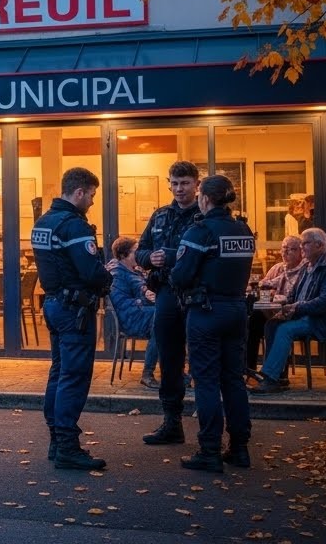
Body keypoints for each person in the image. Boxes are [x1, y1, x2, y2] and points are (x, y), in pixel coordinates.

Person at [170, 175, 255, 472]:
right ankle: (240, 448)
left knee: (206, 381)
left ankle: (209, 450)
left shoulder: (201, 231)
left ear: (205, 198)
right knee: (233, 380)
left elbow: (180, 276)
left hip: (206, 312)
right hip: (236, 311)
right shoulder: (242, 229)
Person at [32, 168, 112, 470]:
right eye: (91, 195)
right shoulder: (74, 226)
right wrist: (109, 276)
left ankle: (56, 439)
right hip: (75, 310)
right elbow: (91, 271)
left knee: (59, 371)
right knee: (74, 376)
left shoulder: (44, 222)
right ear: (79, 192)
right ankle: (67, 445)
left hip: (54, 305)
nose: (92, 201)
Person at [137, 160, 202, 447]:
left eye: (185, 183)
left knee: (203, 359)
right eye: (174, 183)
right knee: (170, 359)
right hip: (166, 294)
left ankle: (209, 428)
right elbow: (140, 251)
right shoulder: (160, 215)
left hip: (199, 296)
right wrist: (149, 259)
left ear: (196, 185)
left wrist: (174, 256)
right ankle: (172, 421)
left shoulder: (206, 216)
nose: (179, 189)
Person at [249, 228, 326, 395]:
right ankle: (278, 376)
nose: (302, 247)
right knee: (272, 324)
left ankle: (270, 378)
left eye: (305, 243)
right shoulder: (308, 266)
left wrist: (297, 307)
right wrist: (285, 303)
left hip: (325, 320)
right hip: (307, 315)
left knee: (285, 329)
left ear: (319, 245)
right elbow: (294, 293)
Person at [246, 236, 306, 371]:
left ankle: (275, 372)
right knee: (252, 321)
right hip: (271, 312)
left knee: (275, 326)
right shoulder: (277, 268)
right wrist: (263, 291)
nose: (287, 252)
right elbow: (263, 287)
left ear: (301, 252)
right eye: (284, 249)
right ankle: (250, 369)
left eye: (292, 249)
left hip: (292, 313)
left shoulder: (304, 271)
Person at [108, 236, 158, 388]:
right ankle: (148, 373)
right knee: (162, 321)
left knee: (168, 319)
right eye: (135, 252)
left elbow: (141, 289)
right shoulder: (117, 273)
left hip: (139, 312)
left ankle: (176, 371)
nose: (139, 255)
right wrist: (144, 299)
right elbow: (120, 303)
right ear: (123, 255)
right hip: (130, 318)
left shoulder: (132, 270)